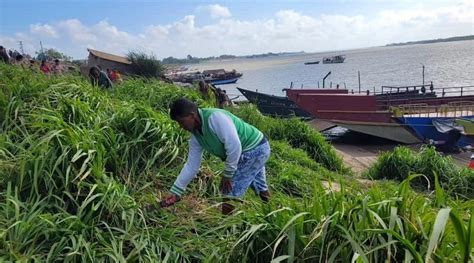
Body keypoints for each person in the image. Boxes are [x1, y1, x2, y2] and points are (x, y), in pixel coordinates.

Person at [160, 98, 271, 214]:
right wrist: (176, 191)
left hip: (254, 149)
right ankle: (272, 216)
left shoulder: (215, 118)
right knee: (260, 186)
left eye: (181, 121)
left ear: (192, 115)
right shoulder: (196, 136)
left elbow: (234, 145)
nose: (181, 126)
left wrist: (228, 174)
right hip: (255, 149)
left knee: (228, 192)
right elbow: (191, 165)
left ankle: (226, 229)